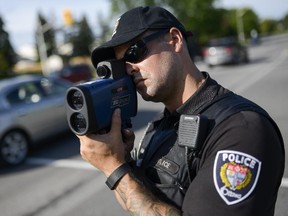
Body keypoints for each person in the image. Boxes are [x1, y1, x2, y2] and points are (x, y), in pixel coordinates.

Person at [78, 6, 285, 216]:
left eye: (134, 52)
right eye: (122, 63)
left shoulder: (241, 128)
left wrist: (114, 168)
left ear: (175, 40)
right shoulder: (160, 127)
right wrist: (122, 160)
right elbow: (139, 200)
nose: (129, 68)